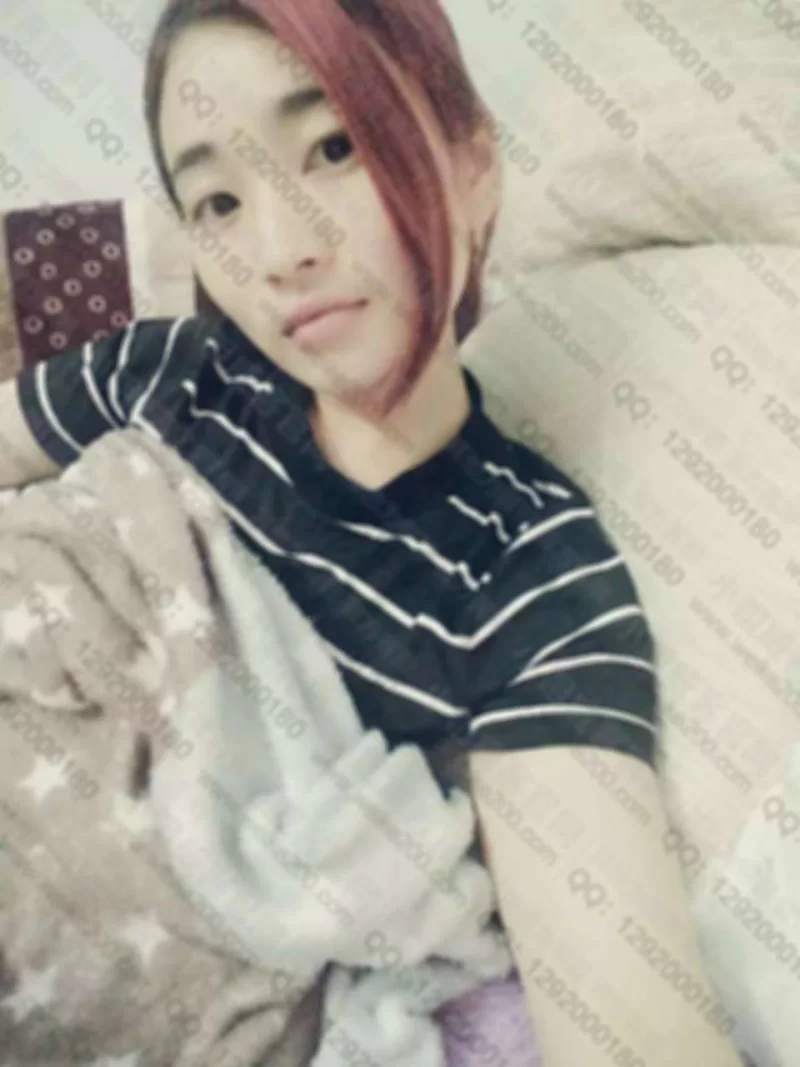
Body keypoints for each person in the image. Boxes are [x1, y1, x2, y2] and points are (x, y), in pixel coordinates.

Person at [0, 1, 745, 1064]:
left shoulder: (529, 578)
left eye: (334, 146)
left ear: (473, 167)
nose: (279, 249)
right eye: (219, 200)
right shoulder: (163, 372)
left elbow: (629, 1018)